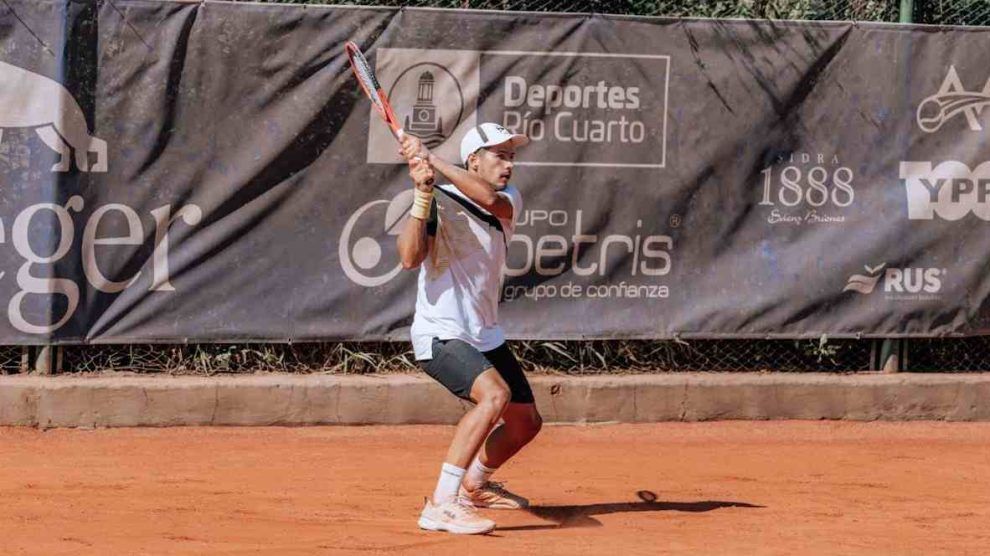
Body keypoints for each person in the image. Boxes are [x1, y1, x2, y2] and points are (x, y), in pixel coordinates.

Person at [395, 123, 543, 535]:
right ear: (473, 160)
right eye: (499, 155)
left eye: (511, 156)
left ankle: (475, 485)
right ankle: (442, 504)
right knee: (494, 396)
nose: (508, 164)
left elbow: (489, 200)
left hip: (484, 333)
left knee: (526, 423)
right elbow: (409, 258)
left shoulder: (508, 198)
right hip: (440, 332)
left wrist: (431, 158)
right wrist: (422, 193)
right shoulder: (439, 198)